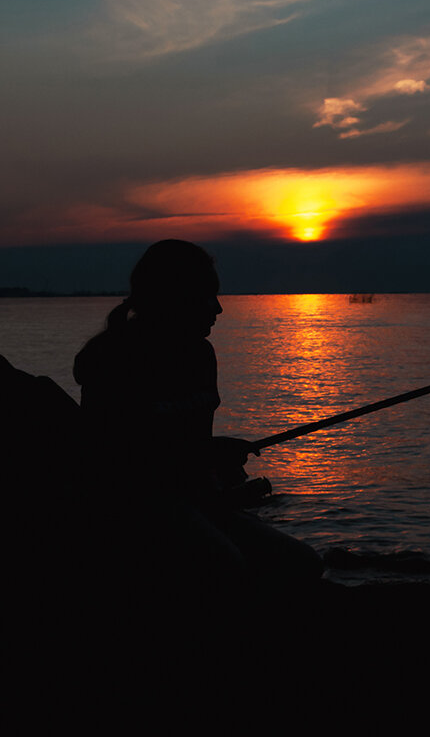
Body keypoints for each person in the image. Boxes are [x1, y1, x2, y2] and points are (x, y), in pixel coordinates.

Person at [72, 239, 323, 607]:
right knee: (227, 567)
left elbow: (190, 444)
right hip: (132, 506)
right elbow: (118, 459)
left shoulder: (201, 356)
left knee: (303, 563)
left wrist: (217, 468)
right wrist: (209, 454)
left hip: (192, 501)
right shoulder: (115, 359)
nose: (218, 308)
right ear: (175, 299)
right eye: (208, 297)